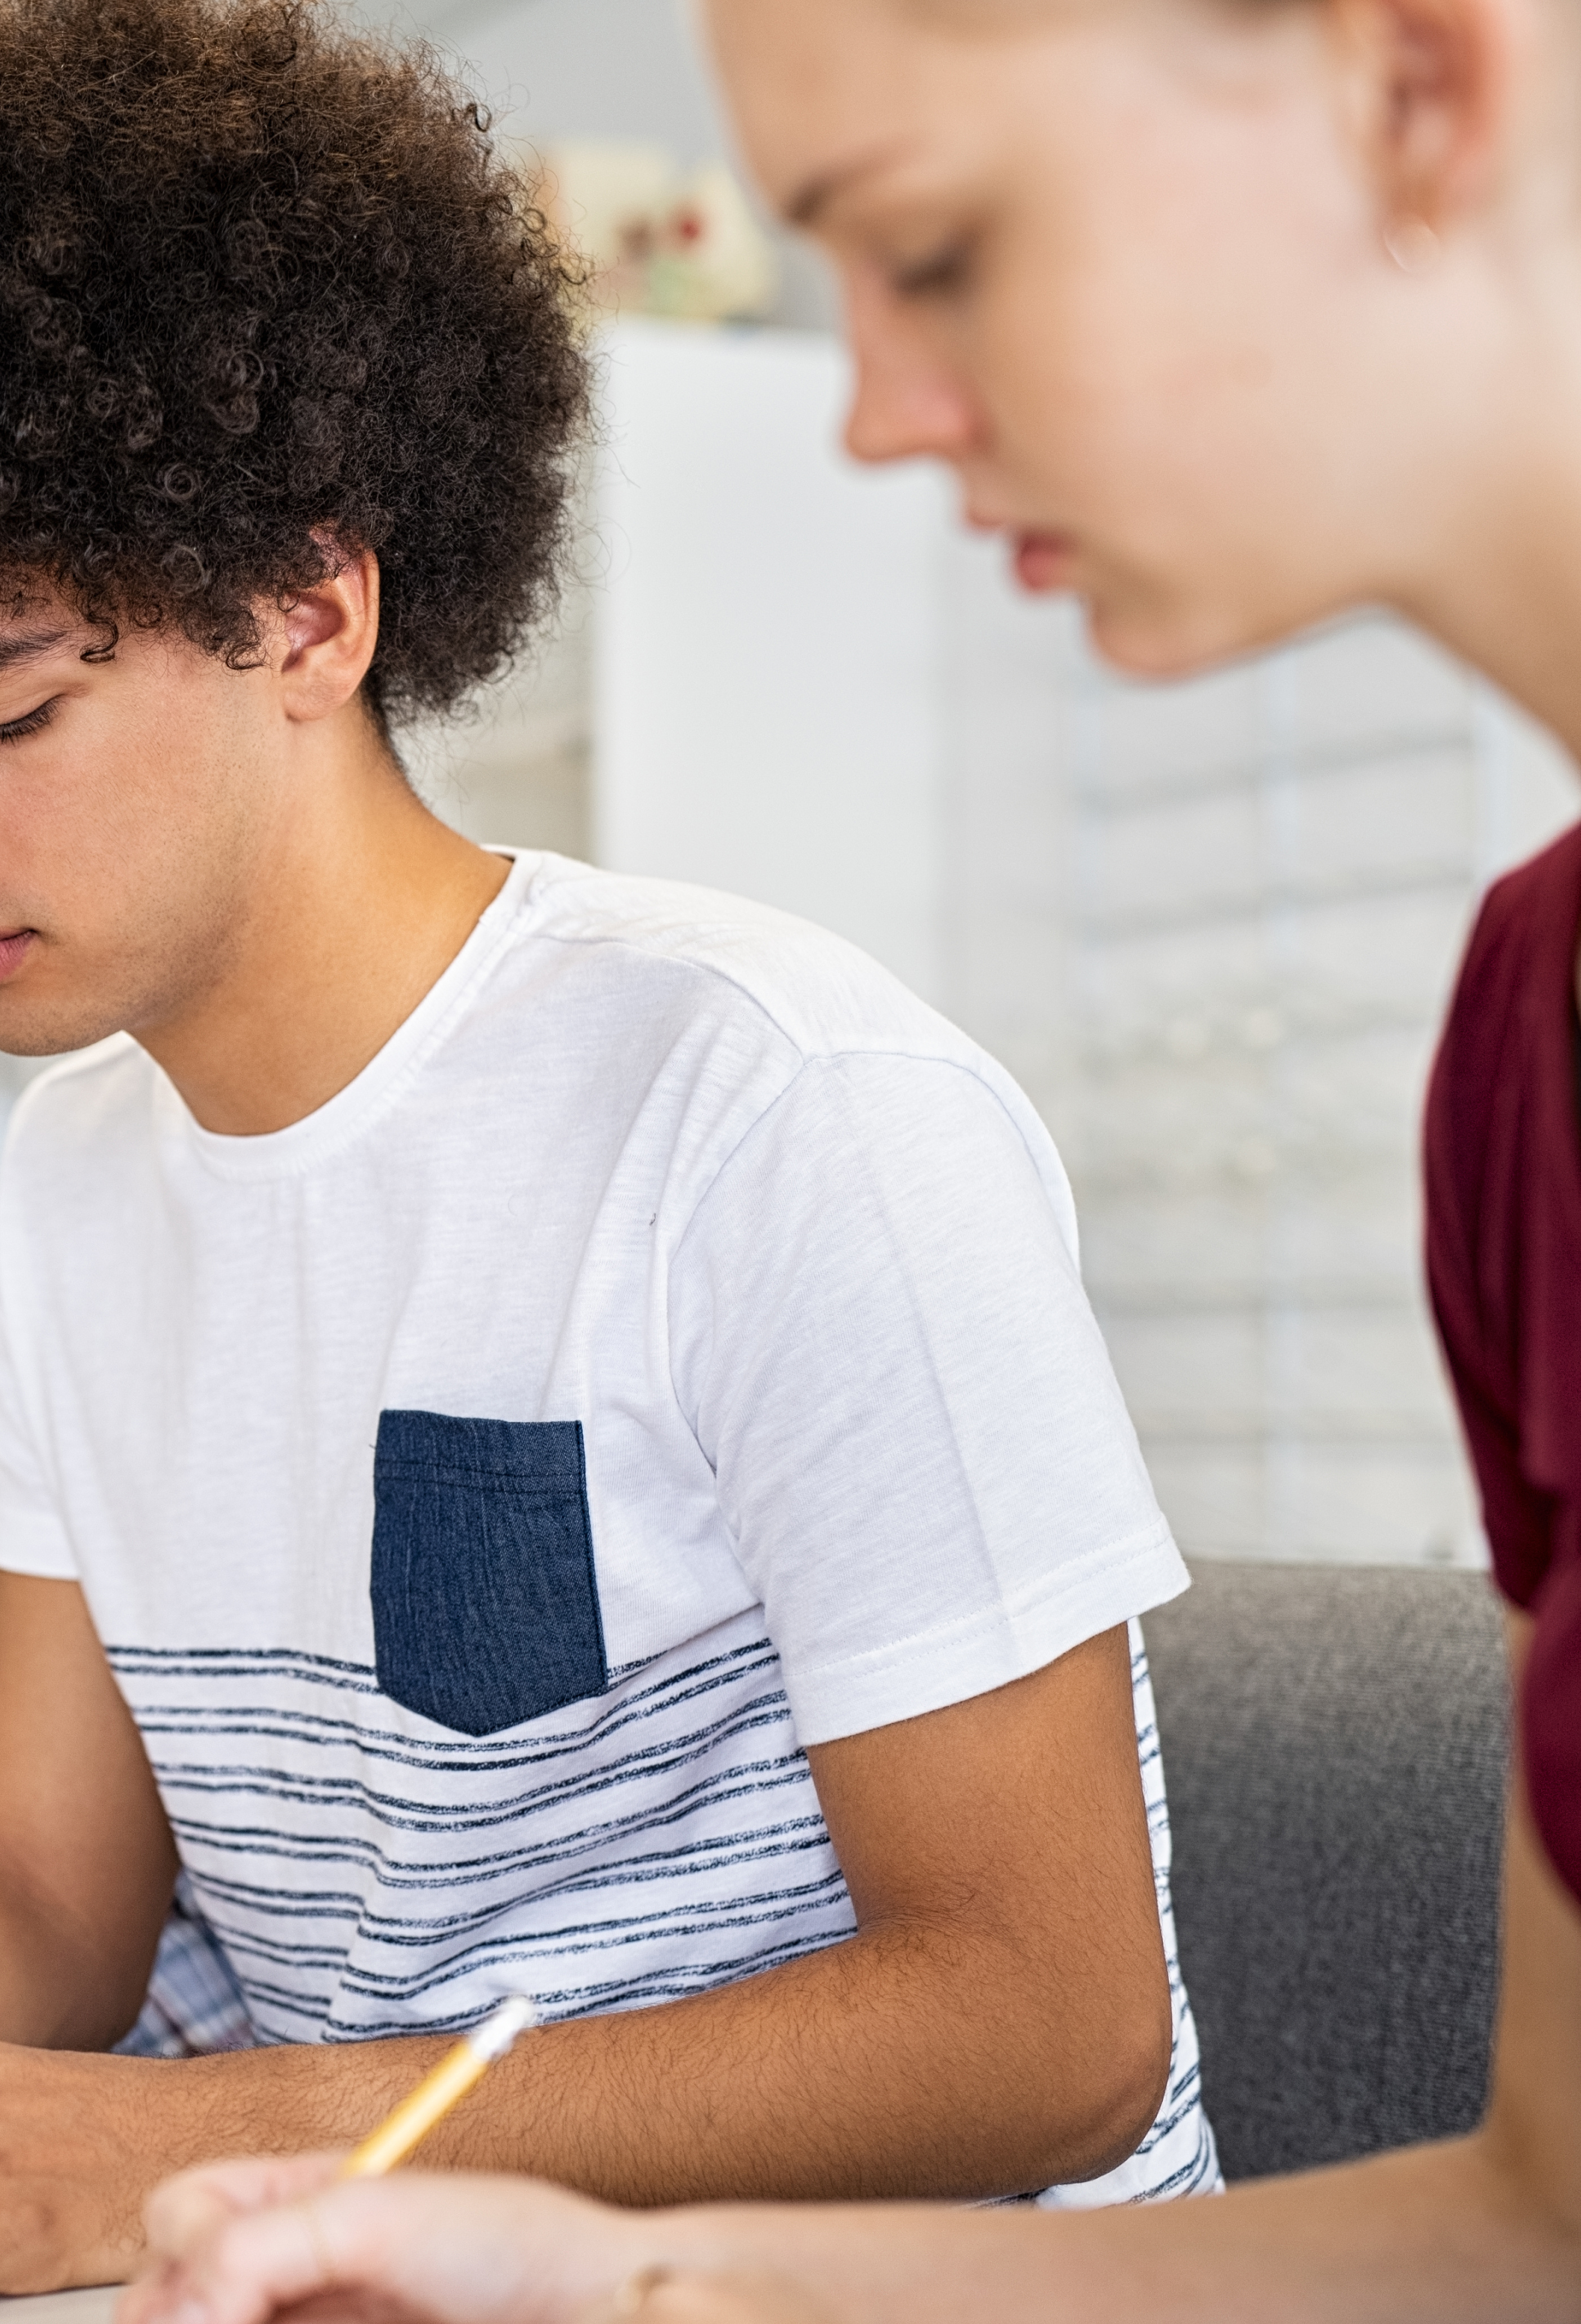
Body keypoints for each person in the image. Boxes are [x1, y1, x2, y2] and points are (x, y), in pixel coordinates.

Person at [0, 0, 1224, 2301]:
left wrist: (201, 2141)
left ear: (310, 612)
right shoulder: (77, 1177)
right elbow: (41, 1908)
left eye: (0, 708)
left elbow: (1051, 2023)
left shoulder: (770, 1105)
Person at [118, 0, 1581, 2314]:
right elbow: (1532, 2238)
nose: (879, 412)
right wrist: (608, 2279)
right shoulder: (1535, 1027)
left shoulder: (781, 1094)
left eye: (942, 250)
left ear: (1415, 85)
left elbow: (1066, 2035)